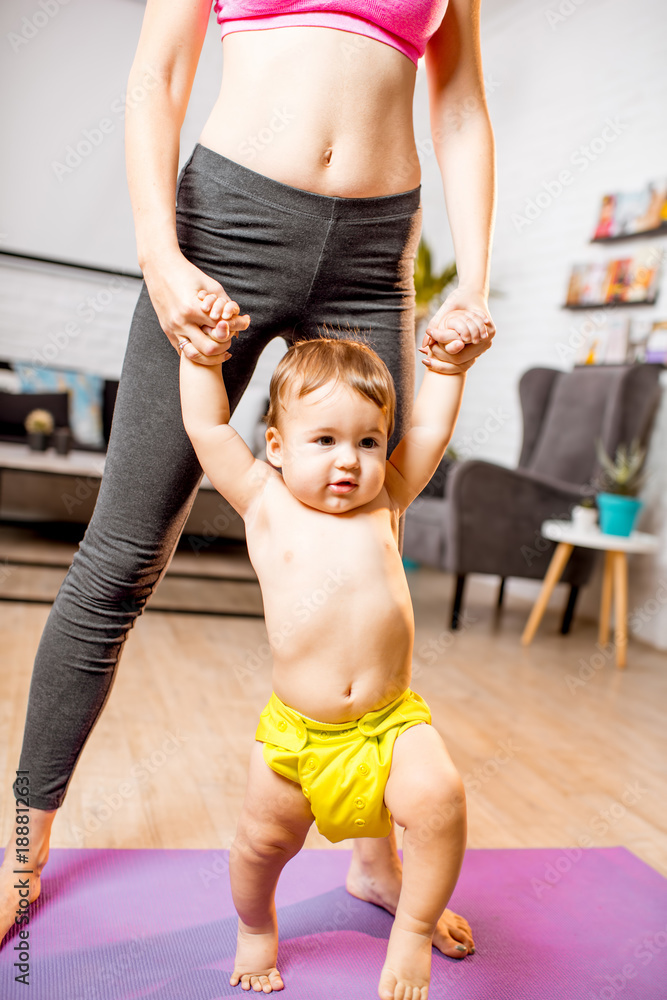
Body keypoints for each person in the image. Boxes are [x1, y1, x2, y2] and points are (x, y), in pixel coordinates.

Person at [0, 0, 496, 957]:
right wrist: (160, 253)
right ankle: (22, 849)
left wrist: (469, 279)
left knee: (369, 541)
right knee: (121, 558)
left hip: (373, 245)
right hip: (225, 223)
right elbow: (159, 70)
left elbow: (461, 103)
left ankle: (374, 862)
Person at [179, 330, 480, 997]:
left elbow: (428, 422)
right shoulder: (265, 501)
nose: (349, 461)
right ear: (278, 448)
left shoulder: (389, 497)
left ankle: (410, 927)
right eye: (324, 441)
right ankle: (256, 928)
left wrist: (448, 368)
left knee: (441, 800)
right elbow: (205, 425)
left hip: (388, 727)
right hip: (297, 738)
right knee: (260, 847)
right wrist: (202, 360)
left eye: (367, 441)